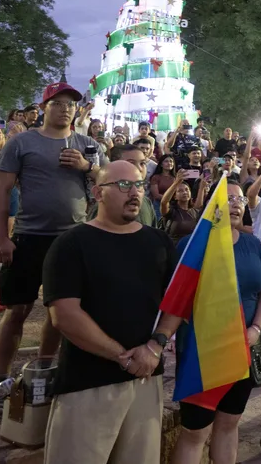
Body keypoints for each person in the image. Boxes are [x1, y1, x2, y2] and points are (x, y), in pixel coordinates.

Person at [41, 161, 179, 464]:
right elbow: (64, 315)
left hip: (145, 381)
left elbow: (176, 302)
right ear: (97, 193)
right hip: (87, 384)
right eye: (123, 185)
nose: (134, 193)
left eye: (139, 185)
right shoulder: (71, 244)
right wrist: (123, 357)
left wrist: (154, 347)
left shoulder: (159, 242)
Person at [0, 82, 101, 416]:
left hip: (71, 240)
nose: (66, 109)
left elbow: (107, 182)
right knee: (16, 310)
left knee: (60, 312)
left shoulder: (87, 145)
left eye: (71, 104)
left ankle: (45, 372)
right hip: (28, 237)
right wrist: (1, 238)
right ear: (44, 106)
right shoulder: (22, 142)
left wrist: (87, 167)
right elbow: (2, 191)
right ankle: (1, 379)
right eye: (59, 103)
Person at [169, 182, 261, 464]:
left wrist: (256, 329)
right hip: (202, 353)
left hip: (243, 349)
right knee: (195, 432)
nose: (236, 203)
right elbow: (176, 297)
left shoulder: (252, 244)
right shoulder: (192, 245)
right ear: (212, 204)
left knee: (230, 424)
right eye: (228, 198)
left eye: (240, 198)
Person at [149, 155, 177, 219]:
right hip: (158, 205)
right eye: (166, 161)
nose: (169, 163)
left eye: (171, 161)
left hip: (173, 205)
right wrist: (168, 199)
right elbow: (156, 195)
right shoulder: (156, 177)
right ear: (161, 164)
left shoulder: (175, 178)